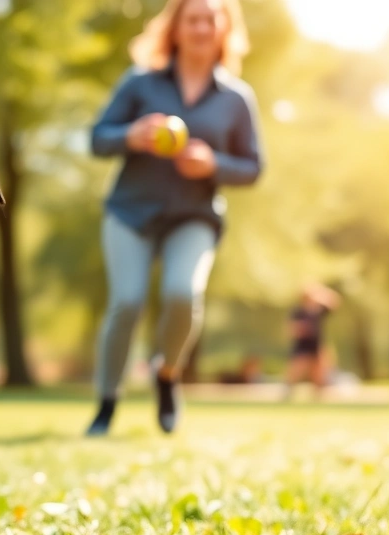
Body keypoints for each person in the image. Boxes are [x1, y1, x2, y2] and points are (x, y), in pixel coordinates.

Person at [86, 0, 263, 435]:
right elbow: (98, 139)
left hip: (194, 215)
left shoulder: (237, 98)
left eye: (211, 19)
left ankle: (167, 374)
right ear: (176, 29)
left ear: (223, 28)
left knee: (183, 294)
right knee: (127, 302)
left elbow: (253, 167)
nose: (202, 27)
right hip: (130, 212)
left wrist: (213, 164)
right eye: (193, 19)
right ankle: (106, 405)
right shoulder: (140, 82)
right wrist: (132, 135)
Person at [284, 283, 341, 398]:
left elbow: (335, 301)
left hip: (317, 345)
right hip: (303, 346)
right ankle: (287, 393)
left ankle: (318, 396)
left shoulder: (318, 311)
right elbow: (292, 329)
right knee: (296, 372)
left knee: (319, 374)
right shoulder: (299, 311)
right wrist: (302, 329)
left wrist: (321, 291)